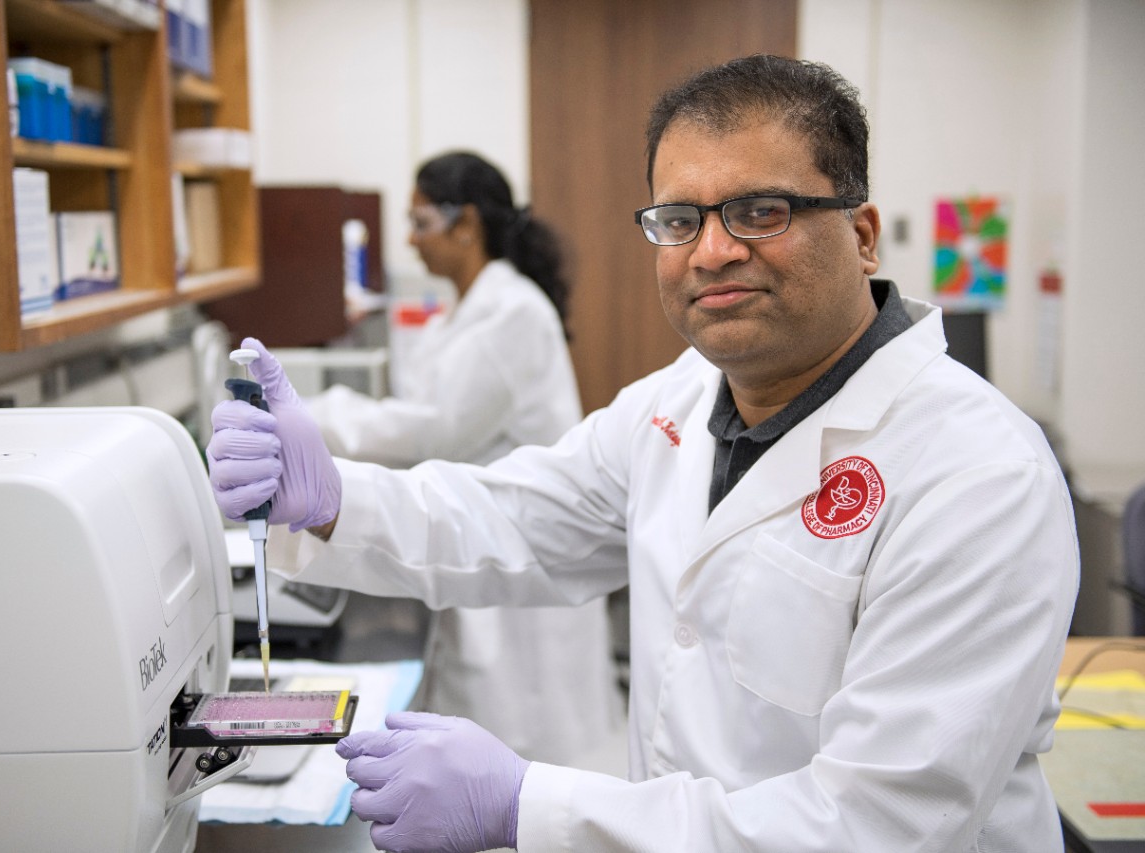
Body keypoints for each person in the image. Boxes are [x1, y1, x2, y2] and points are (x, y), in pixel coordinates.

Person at [207, 55, 1079, 853]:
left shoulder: (977, 477)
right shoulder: (678, 401)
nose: (713, 251)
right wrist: (333, 500)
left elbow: (873, 827)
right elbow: (516, 517)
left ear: (861, 233)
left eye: (760, 211)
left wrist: (529, 804)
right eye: (679, 220)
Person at [302, 151, 621, 765]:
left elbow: (434, 431)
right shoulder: (474, 306)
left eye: (421, 222)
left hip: (521, 553)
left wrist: (316, 417)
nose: (411, 240)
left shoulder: (511, 313)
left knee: (524, 748)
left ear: (467, 223)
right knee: (494, 740)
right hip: (491, 542)